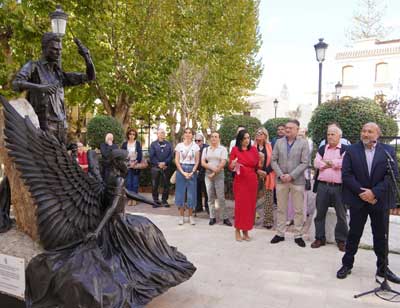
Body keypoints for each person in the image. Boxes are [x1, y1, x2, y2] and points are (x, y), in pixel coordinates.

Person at [337, 123, 400, 284]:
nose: (365, 134)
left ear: (377, 135)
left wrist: (374, 193)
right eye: (363, 131)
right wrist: (362, 193)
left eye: (370, 131)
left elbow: (391, 176)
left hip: (379, 201)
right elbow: (347, 175)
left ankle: (383, 268)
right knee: (354, 234)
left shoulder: (387, 151)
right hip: (358, 200)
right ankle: (347, 264)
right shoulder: (351, 150)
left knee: (380, 236)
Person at [12, 33, 95, 145]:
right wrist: (40, 88)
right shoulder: (34, 67)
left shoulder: (59, 74)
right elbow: (16, 84)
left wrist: (87, 58)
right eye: (54, 49)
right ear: (44, 48)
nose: (58, 52)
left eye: (60, 50)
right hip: (43, 126)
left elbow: (90, 77)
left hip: (62, 126)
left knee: (60, 161)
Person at [270, 119, 310, 247]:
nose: (287, 130)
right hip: (281, 180)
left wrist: (291, 175)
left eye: (291, 128)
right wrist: (281, 174)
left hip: (297, 181)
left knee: (298, 209)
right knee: (281, 208)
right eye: (286, 127)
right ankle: (280, 233)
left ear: (297, 130)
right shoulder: (278, 142)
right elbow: (273, 160)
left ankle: (298, 235)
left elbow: (305, 162)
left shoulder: (303, 143)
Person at [311, 125, 348, 251]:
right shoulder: (322, 149)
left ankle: (341, 240)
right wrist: (334, 162)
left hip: (339, 188)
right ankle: (319, 238)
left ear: (339, 136)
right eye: (328, 134)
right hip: (323, 186)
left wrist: (327, 163)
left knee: (342, 215)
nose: (330, 136)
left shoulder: (345, 149)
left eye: (333, 134)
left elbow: (344, 163)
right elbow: (316, 163)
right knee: (320, 214)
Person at [229, 130, 259, 241]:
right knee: (240, 206)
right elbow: (231, 167)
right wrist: (232, 164)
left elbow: (257, 165)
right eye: (244, 138)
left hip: (251, 181)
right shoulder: (235, 150)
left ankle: (246, 231)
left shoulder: (254, 150)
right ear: (240, 139)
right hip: (240, 181)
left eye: (248, 138)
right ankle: (237, 229)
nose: (246, 140)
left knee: (249, 207)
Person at [202, 131, 231, 226]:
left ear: (219, 138)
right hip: (208, 174)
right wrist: (211, 168)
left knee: (221, 197)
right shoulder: (206, 149)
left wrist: (214, 172)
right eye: (212, 137)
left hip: (219, 174)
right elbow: (203, 162)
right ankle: (212, 217)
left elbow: (223, 162)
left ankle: (224, 217)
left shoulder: (222, 149)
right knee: (210, 197)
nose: (214, 138)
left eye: (216, 137)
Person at [175, 128, 200, 225]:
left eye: (190, 133)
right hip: (181, 169)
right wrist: (183, 172)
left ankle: (190, 216)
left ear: (192, 135)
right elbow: (176, 160)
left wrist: (192, 171)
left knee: (191, 194)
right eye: (186, 132)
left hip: (192, 170)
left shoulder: (196, 146)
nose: (188, 134)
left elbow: (197, 161)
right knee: (180, 193)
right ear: (183, 134)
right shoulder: (179, 146)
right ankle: (181, 216)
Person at [254, 127, 275, 229]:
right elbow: (249, 161)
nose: (259, 135)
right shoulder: (252, 147)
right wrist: (257, 171)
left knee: (268, 199)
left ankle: (268, 221)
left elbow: (274, 161)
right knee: (252, 197)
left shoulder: (270, 146)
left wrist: (265, 172)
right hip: (254, 175)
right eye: (257, 133)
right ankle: (251, 218)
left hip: (268, 175)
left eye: (261, 133)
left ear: (265, 135)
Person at [149, 128, 173, 208]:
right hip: (155, 168)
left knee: (166, 185)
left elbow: (171, 155)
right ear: (158, 134)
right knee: (155, 185)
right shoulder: (153, 144)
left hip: (166, 167)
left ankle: (164, 200)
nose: (162, 134)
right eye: (161, 133)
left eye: (163, 133)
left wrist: (165, 163)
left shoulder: (169, 144)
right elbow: (151, 156)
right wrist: (158, 163)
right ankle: (155, 201)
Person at [121, 128, 143, 206]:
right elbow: (122, 155)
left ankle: (135, 199)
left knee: (135, 183)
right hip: (127, 166)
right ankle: (130, 198)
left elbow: (140, 155)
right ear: (128, 135)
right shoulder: (124, 144)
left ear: (135, 135)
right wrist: (128, 162)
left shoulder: (137, 143)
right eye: (130, 134)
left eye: (133, 134)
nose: (132, 136)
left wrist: (135, 162)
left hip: (135, 165)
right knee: (128, 183)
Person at [195, 134, 209, 214]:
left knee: (206, 191)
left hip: (205, 172)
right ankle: (199, 207)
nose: (197, 142)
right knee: (197, 190)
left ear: (202, 141)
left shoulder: (207, 148)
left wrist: (201, 171)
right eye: (196, 140)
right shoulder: (193, 147)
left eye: (199, 141)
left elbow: (208, 161)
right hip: (196, 172)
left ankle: (207, 207)